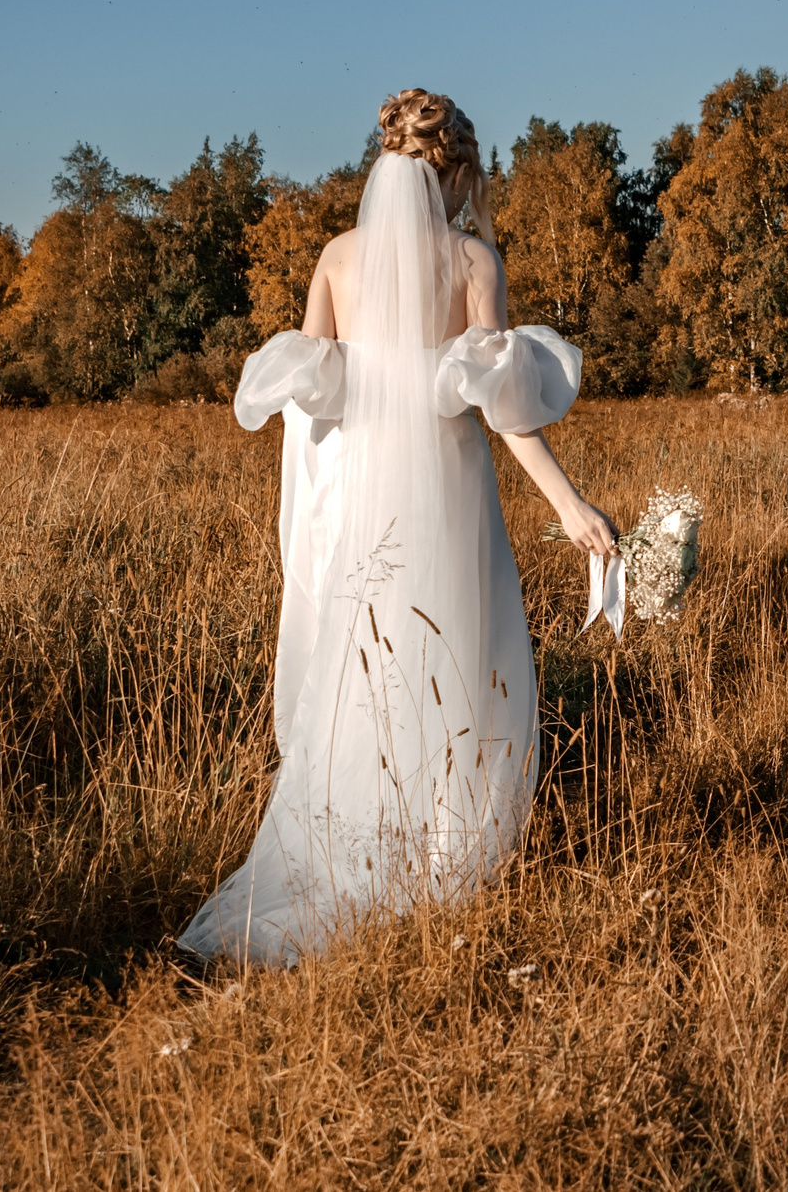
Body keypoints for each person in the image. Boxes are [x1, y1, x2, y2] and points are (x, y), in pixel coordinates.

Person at [179, 89, 618, 966]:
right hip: (452, 499)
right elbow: (503, 410)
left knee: (363, 674)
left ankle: (349, 851)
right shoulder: (471, 262)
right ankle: (438, 869)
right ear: (452, 167)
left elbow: (316, 386)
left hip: (365, 506)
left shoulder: (338, 258)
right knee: (454, 665)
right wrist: (570, 506)